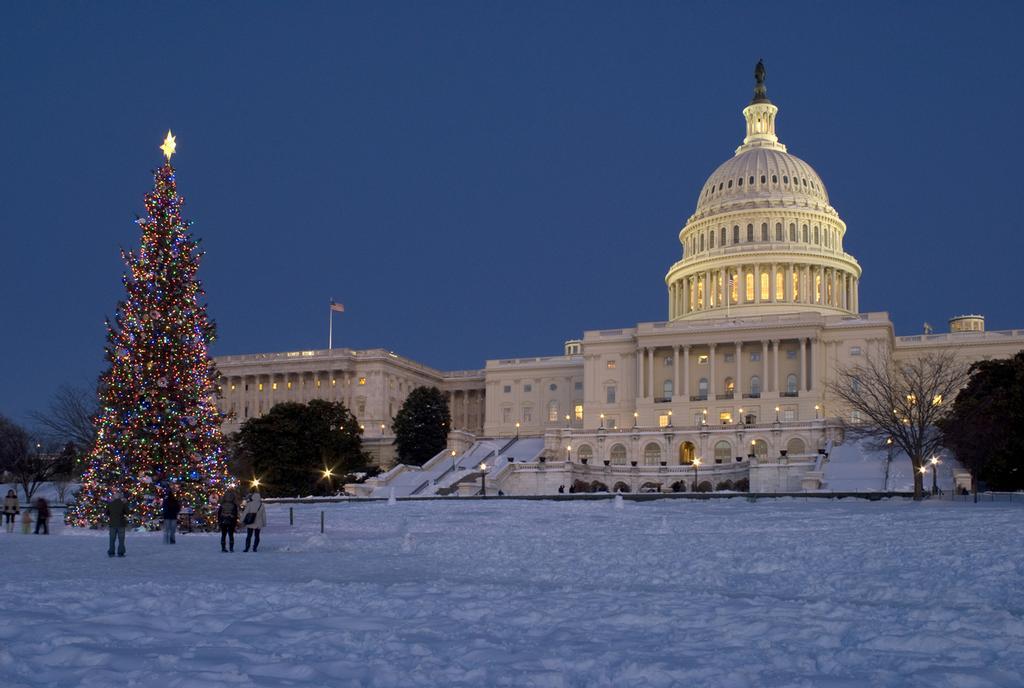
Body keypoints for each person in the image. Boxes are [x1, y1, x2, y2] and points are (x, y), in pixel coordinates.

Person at [106, 491, 129, 557]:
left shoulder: (110, 504)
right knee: (121, 540)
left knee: (112, 539)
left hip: (112, 524)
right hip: (121, 524)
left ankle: (111, 552)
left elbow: (107, 513)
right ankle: (121, 552)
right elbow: (127, 512)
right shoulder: (123, 504)